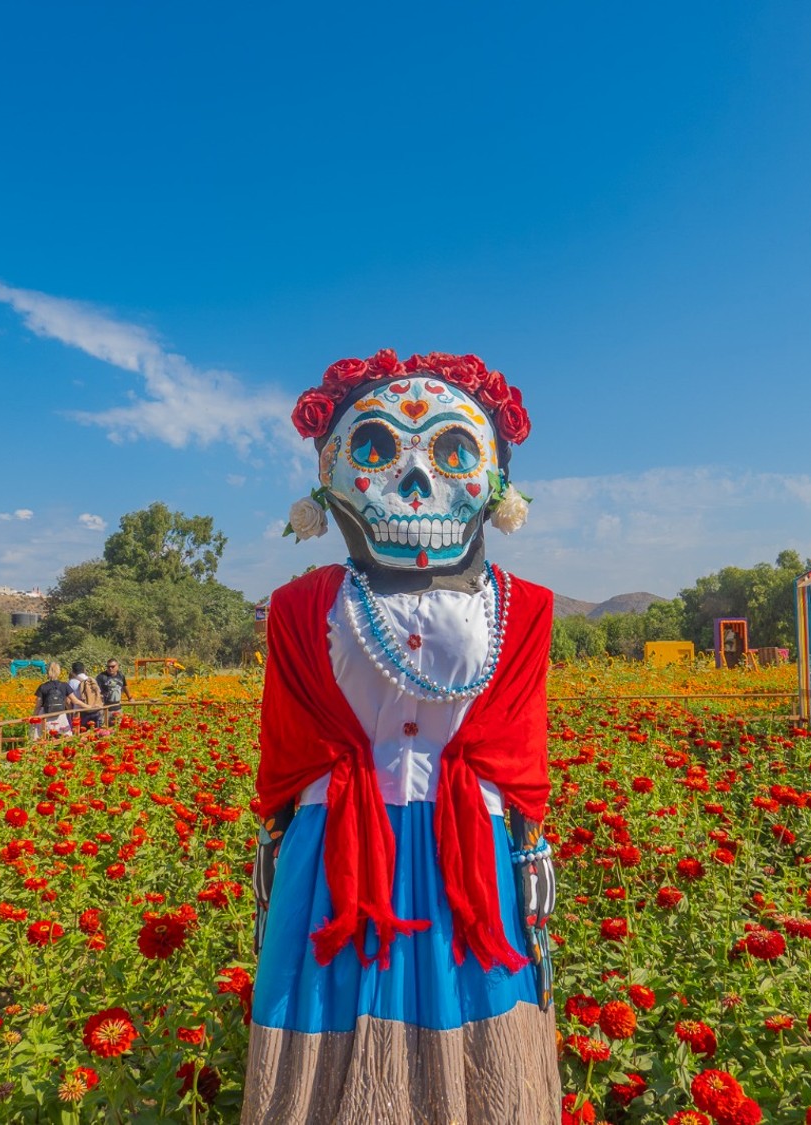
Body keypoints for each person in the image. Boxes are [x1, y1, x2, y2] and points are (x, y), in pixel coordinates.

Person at [243, 350, 558, 1124]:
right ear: (328, 472)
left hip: (470, 854)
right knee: (326, 1010)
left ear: (496, 481)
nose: (415, 482)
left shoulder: (524, 608)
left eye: (452, 452)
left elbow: (515, 749)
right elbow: (287, 744)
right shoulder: (299, 606)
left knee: (475, 997)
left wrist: (529, 851)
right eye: (378, 449)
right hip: (332, 850)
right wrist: (271, 850)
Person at [32, 663, 73, 738]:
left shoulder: (42, 686)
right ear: (59, 672)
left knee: (44, 738)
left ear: (48, 672)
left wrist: (33, 717)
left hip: (45, 717)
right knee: (64, 737)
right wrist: (88, 707)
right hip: (60, 715)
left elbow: (38, 705)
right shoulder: (64, 685)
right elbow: (72, 701)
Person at [67, 661, 103, 729]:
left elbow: (68, 700)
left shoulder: (71, 682)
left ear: (73, 671)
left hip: (80, 712)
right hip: (95, 710)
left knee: (81, 735)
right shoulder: (91, 680)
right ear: (84, 669)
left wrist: (71, 713)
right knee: (95, 733)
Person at [96, 659, 130, 727]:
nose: (110, 668)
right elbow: (96, 690)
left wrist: (130, 697)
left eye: (112, 666)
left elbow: (125, 686)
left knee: (117, 728)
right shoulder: (101, 677)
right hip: (105, 709)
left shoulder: (121, 675)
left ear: (118, 666)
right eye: (108, 667)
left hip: (117, 708)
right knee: (104, 728)